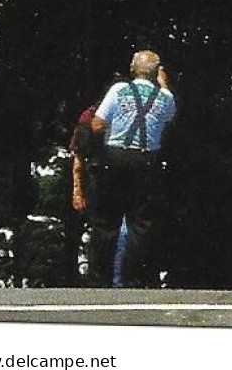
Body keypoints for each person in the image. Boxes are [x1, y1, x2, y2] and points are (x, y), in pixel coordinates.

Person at [87, 49, 177, 287]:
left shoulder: (119, 89)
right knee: (141, 221)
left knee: (106, 219)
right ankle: (134, 278)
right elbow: (169, 119)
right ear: (157, 71)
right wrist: (164, 85)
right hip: (147, 160)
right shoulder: (166, 97)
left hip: (115, 155)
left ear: (132, 68)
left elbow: (97, 124)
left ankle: (99, 278)